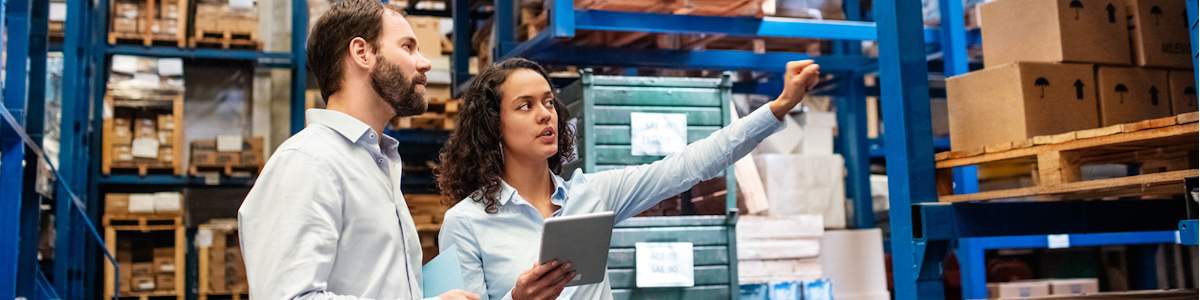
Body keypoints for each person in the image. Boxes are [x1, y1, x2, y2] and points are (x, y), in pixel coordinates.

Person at [435, 58, 820, 300]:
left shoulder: (594, 194)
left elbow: (690, 165)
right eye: (525, 106)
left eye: (549, 101)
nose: (545, 114)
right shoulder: (466, 223)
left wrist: (778, 106)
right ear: (492, 126)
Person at [237, 0, 478, 298]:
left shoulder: (375, 162)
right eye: (408, 47)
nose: (424, 62)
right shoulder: (308, 162)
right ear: (362, 53)